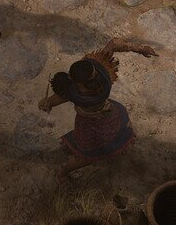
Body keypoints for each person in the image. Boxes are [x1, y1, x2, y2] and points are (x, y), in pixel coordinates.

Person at [38, 37, 158, 182]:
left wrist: (47, 102)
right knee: (91, 152)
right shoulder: (101, 69)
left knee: (92, 152)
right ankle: (63, 172)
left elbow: (60, 97)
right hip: (101, 119)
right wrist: (139, 48)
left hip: (97, 120)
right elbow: (114, 43)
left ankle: (64, 172)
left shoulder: (76, 92)